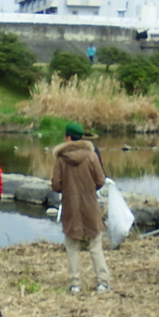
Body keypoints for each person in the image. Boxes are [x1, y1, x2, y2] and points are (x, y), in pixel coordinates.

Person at [51, 122, 110, 294]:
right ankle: (102, 282)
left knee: (72, 246)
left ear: (68, 138)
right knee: (95, 245)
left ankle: (75, 283)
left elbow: (55, 185)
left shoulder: (61, 159)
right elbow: (100, 180)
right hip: (90, 205)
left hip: (70, 207)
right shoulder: (92, 156)